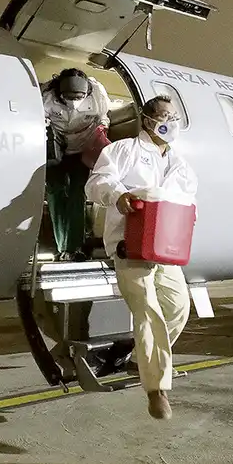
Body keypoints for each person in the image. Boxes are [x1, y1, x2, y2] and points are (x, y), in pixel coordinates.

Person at [84, 95, 198, 420]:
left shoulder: (181, 164)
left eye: (174, 117)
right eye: (164, 116)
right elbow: (96, 183)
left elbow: (189, 201)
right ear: (147, 119)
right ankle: (156, 389)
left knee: (178, 308)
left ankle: (139, 360)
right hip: (129, 245)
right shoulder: (123, 151)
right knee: (147, 310)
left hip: (166, 248)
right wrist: (118, 196)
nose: (170, 123)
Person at [42, 68, 111, 262]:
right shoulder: (46, 96)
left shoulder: (97, 94)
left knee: (77, 193)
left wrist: (101, 132)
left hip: (83, 148)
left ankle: (74, 246)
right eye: (68, 98)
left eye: (78, 97)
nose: (73, 102)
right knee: (55, 193)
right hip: (56, 146)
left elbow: (104, 117)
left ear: (87, 92)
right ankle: (61, 246)